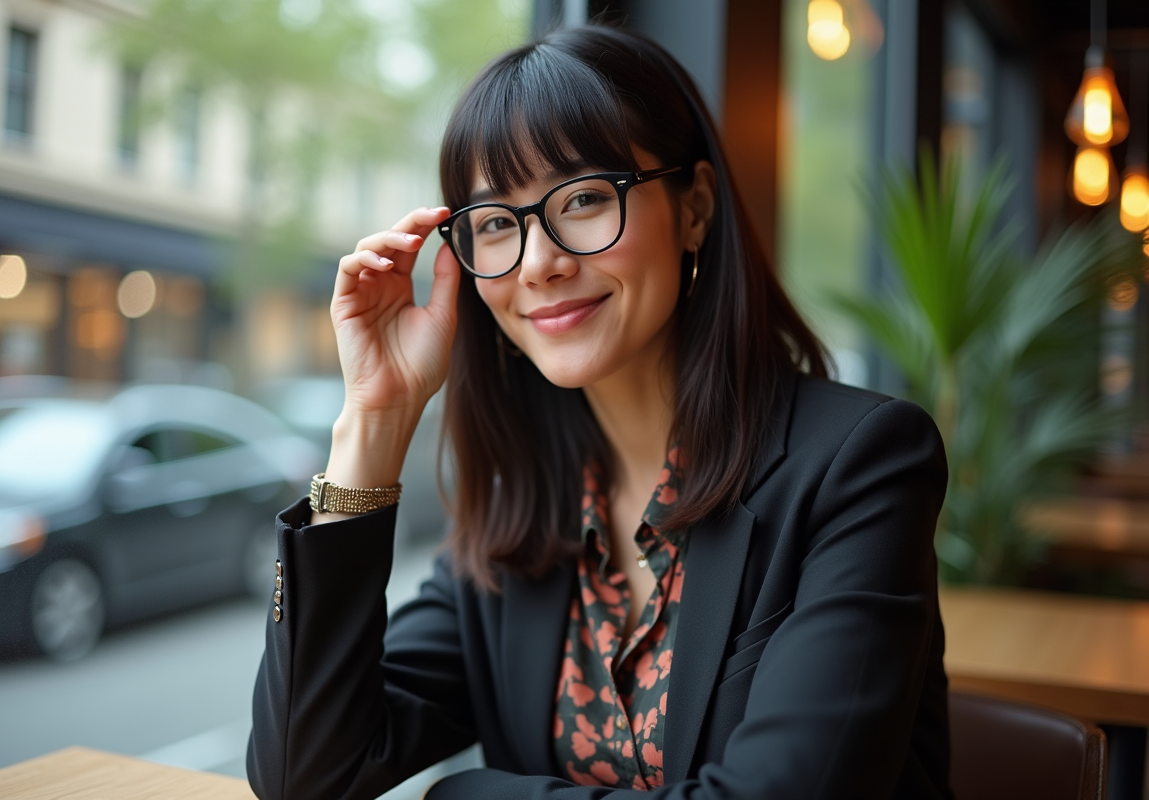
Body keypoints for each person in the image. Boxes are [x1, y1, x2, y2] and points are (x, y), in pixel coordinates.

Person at [246, 24, 950, 800]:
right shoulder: (524, 513)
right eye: (495, 223)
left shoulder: (859, 465)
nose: (541, 261)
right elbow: (302, 775)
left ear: (695, 210)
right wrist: (373, 422)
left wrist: (464, 796)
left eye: (583, 199)